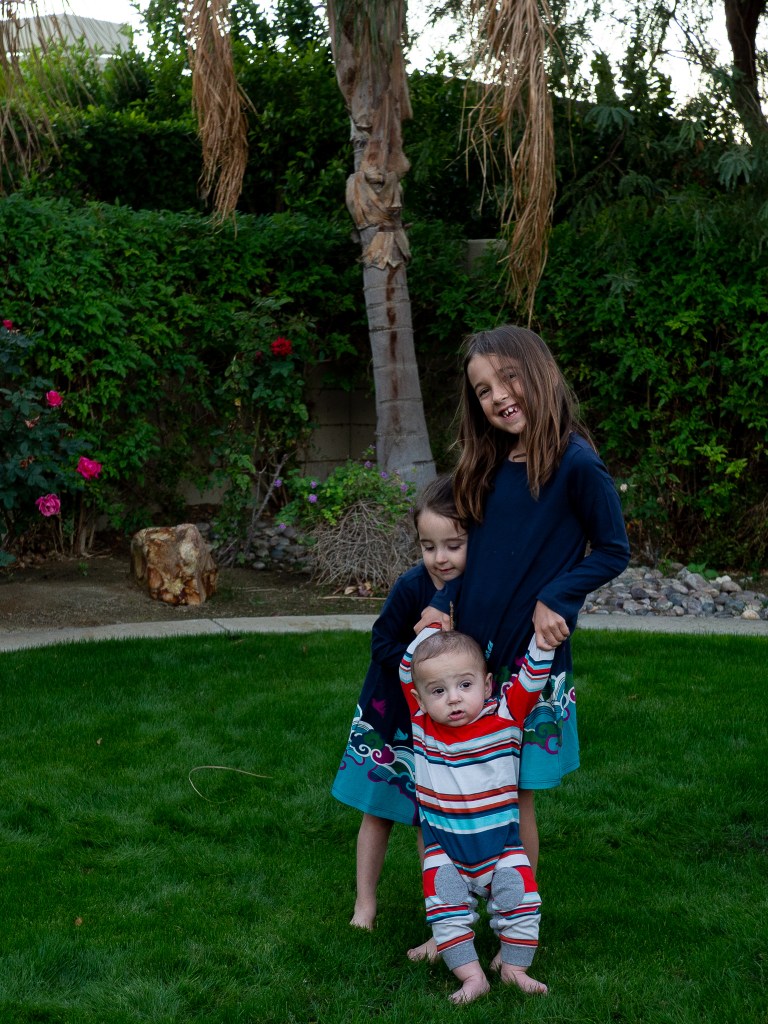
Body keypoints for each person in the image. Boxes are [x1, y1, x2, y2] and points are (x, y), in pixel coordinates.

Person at [419, 325, 630, 879]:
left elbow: (613, 550)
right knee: (462, 783)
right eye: (483, 390)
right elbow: (474, 554)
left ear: (540, 373)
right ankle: (459, 903)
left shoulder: (576, 463)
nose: (499, 396)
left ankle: (518, 919)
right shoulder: (487, 464)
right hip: (473, 658)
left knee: (513, 792)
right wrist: (443, 598)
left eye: (508, 378)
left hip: (530, 656)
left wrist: (556, 597)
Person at [331, 476, 466, 930]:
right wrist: (418, 661)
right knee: (379, 811)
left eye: (453, 545)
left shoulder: (475, 588)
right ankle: (364, 905)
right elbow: (380, 643)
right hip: (392, 715)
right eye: (429, 546)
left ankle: (440, 915)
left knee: (432, 818)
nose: (440, 558)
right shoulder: (411, 586)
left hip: (442, 720)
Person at [400, 626, 553, 1004]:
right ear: (421, 699)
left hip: (503, 849)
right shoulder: (422, 724)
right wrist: (430, 629)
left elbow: (532, 677)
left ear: (487, 685)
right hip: (444, 853)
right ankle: (472, 977)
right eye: (438, 691)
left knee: (522, 905)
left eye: (464, 685)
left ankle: (515, 969)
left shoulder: (505, 715)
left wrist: (544, 641)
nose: (453, 698)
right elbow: (406, 669)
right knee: (445, 916)